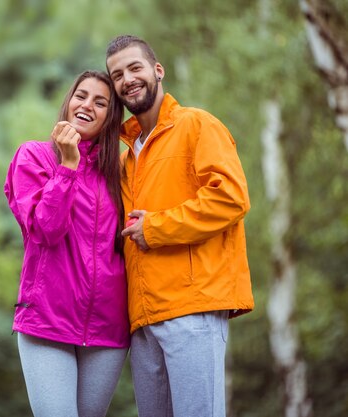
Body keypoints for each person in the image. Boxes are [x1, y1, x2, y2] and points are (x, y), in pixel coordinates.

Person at [105, 35, 255, 417]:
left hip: (192, 308)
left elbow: (231, 198)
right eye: (117, 74)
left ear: (158, 70)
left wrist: (157, 228)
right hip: (143, 319)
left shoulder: (197, 125)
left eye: (135, 67)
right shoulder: (125, 158)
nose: (127, 79)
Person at [4, 70, 129, 417]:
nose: (87, 105)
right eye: (81, 95)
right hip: (47, 323)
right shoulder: (33, 157)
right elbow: (46, 229)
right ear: (68, 102)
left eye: (100, 102)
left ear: (110, 118)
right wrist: (68, 166)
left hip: (108, 331)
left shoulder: (119, 175)